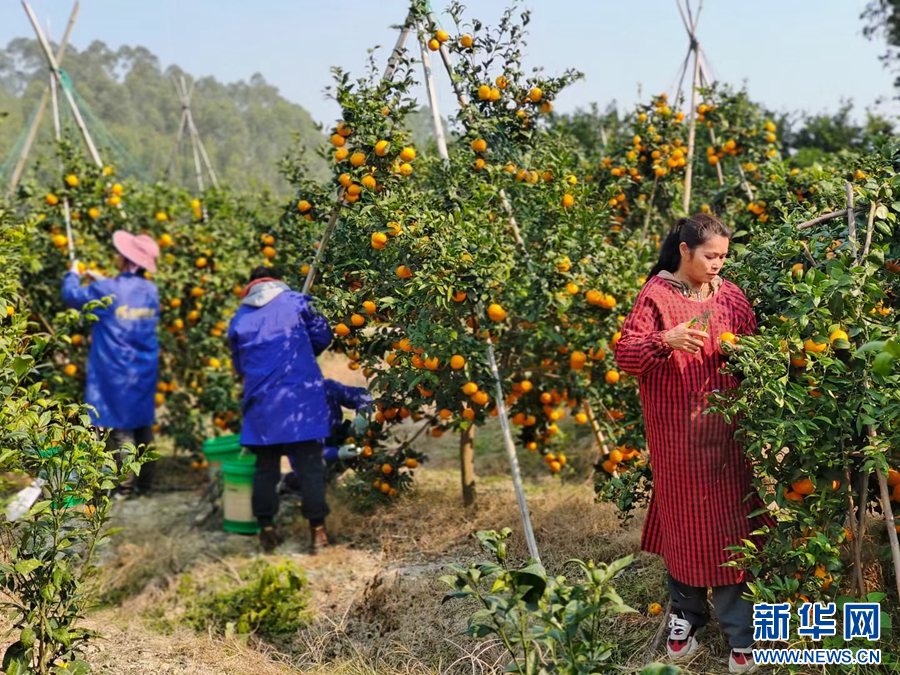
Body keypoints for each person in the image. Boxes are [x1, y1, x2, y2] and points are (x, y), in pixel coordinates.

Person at [614, 213, 774, 675]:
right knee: (685, 524)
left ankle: (742, 635)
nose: (718, 264)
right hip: (677, 436)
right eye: (710, 256)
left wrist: (744, 353)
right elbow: (626, 354)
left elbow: (756, 348)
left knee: (730, 528)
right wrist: (666, 339)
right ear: (684, 251)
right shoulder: (656, 295)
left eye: (724, 256)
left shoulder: (732, 296)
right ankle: (686, 615)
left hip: (727, 435)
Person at [228, 266, 333, 553]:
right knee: (310, 467)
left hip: (262, 405)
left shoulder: (241, 316)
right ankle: (318, 534)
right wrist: (302, 349)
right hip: (301, 400)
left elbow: (239, 365)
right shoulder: (298, 302)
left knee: (265, 470)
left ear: (252, 286)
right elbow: (324, 336)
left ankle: (266, 530)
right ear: (277, 280)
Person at [62, 231, 161, 497]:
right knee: (142, 425)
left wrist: (72, 273)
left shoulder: (108, 290)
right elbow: (125, 304)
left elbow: (73, 296)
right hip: (144, 367)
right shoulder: (150, 290)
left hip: (116, 369)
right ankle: (146, 485)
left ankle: (124, 487)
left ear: (127, 259)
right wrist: (104, 282)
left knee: (119, 427)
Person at [281, 378, 371, 494]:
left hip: (335, 440)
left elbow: (362, 395)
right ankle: (286, 482)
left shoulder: (327, 388)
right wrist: (337, 453)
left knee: (369, 440)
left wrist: (363, 416)